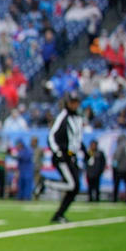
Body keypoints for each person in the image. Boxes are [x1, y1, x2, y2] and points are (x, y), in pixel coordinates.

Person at [46, 92, 83, 223]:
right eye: (72, 102)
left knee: (75, 188)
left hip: (72, 156)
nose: (74, 105)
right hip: (63, 156)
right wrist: (57, 152)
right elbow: (51, 136)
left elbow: (77, 139)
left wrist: (85, 153)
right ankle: (45, 183)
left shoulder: (78, 118)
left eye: (76, 102)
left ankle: (59, 214)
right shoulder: (63, 116)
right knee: (72, 185)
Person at [111, 133, 126, 203]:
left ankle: (115, 198)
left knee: (116, 184)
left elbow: (117, 157)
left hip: (119, 168)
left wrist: (114, 165)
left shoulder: (121, 145)